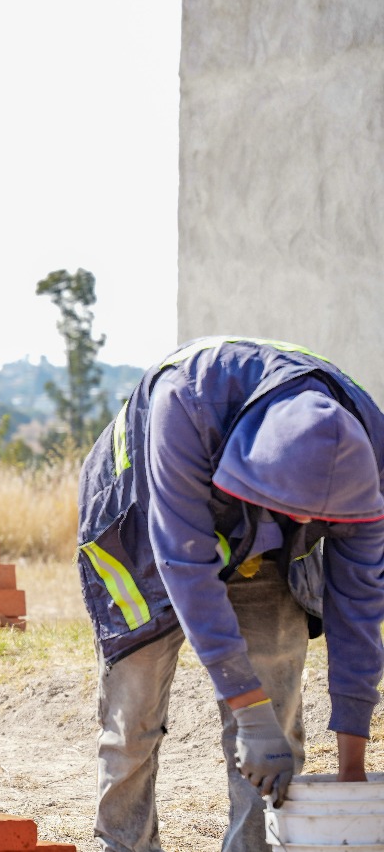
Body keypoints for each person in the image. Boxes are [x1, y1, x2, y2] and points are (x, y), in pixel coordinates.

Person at [76, 336, 384, 852]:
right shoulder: (185, 406)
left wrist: (352, 766)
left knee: (276, 711)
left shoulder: (370, 451)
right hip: (143, 522)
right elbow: (186, 567)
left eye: (321, 517)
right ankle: (125, 844)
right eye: (300, 508)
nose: (310, 522)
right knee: (135, 709)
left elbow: (359, 607)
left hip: (266, 539)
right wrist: (248, 710)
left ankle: (256, 848)